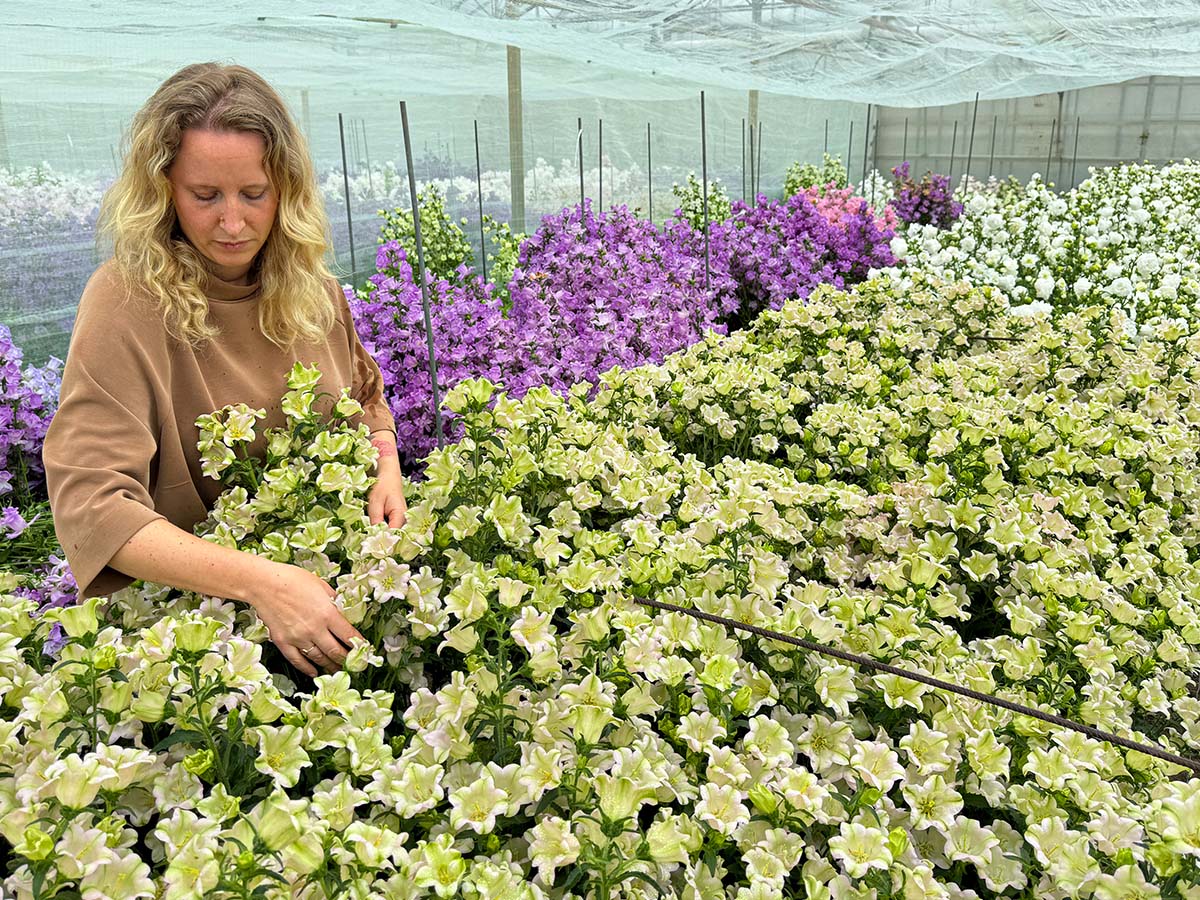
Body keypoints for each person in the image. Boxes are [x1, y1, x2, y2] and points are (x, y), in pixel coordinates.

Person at [42, 63, 406, 678]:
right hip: (197, 647)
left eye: (254, 194)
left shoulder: (312, 290)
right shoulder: (126, 302)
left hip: (334, 609)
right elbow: (92, 504)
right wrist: (263, 583)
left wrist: (386, 462)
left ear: (285, 189)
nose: (233, 223)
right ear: (162, 190)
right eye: (204, 196)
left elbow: (365, 393)